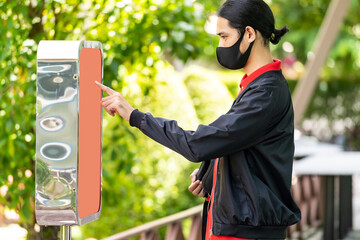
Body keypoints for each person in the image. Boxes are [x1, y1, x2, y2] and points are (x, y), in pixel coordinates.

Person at [95, 0, 301, 239]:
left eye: (224, 37)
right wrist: (212, 175)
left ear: (249, 34)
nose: (221, 46)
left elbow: (197, 144)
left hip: (246, 234)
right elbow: (243, 148)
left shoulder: (264, 93)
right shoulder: (256, 86)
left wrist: (135, 116)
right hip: (239, 228)